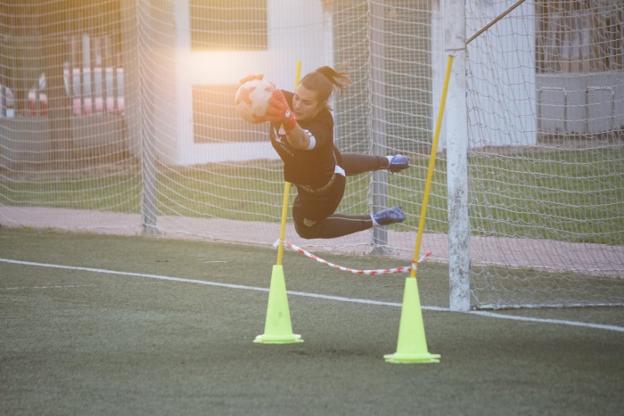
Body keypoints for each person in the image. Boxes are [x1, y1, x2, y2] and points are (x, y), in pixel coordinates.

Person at [242, 66, 409, 239]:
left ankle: (377, 219)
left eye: (306, 102)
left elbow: (300, 141)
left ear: (321, 105)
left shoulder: (322, 123)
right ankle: (390, 161)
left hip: (323, 192)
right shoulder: (287, 102)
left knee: (306, 229)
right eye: (297, 97)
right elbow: (260, 102)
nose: (297, 105)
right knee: (335, 162)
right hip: (330, 162)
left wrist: (287, 119)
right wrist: (253, 88)